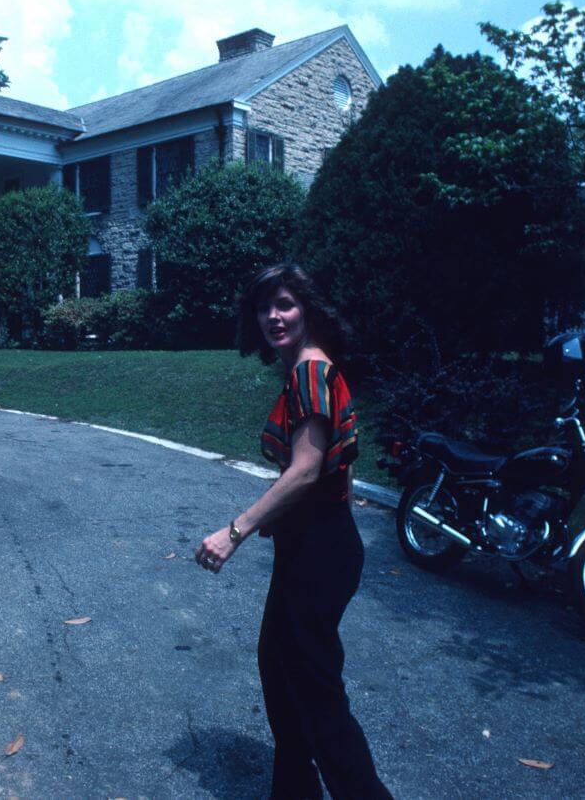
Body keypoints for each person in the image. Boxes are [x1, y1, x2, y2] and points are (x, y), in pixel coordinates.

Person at [194, 263, 391, 799]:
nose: (273, 317)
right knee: (280, 668)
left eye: (284, 304)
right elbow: (339, 469)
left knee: (314, 689)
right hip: (313, 542)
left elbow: (305, 469)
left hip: (320, 549)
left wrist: (233, 532)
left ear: (308, 307)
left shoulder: (309, 371)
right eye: (264, 307)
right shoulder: (313, 370)